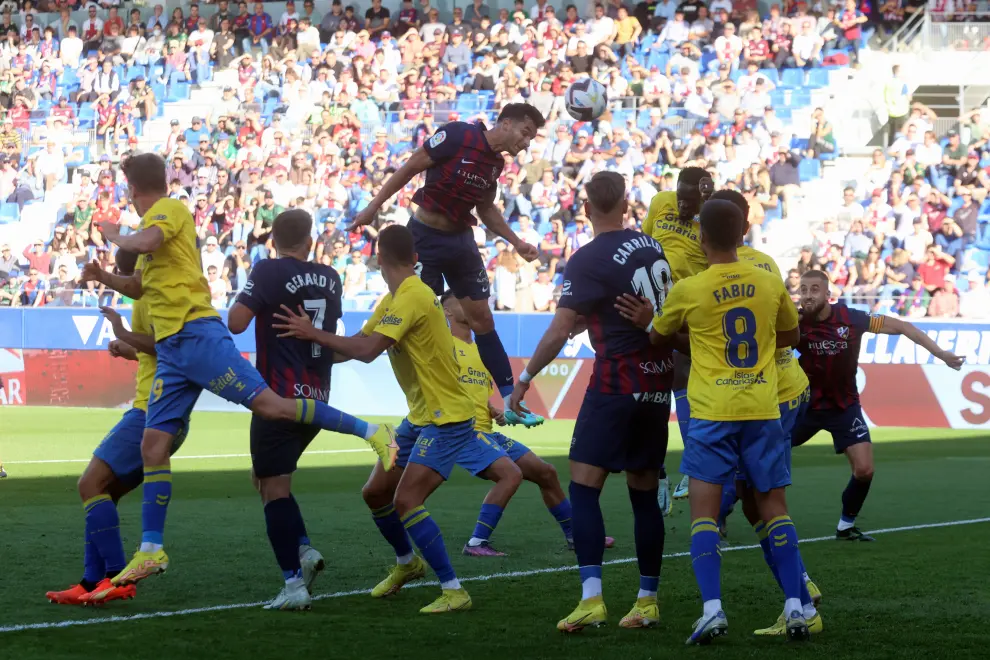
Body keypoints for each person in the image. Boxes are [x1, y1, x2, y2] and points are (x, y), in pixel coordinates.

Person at [78, 153, 398, 587]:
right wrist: (104, 277)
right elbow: (140, 284)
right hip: (172, 347)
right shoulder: (155, 232)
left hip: (196, 334)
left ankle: (373, 432)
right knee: (153, 446)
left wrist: (115, 233)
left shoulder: (167, 211)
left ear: (133, 189)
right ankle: (151, 550)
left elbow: (146, 242)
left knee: (273, 407)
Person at [272, 224, 476, 614]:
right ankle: (407, 563)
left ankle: (454, 590)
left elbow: (367, 351)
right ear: (414, 257)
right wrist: (303, 352)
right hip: (421, 416)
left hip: (447, 418)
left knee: (407, 500)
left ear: (379, 257)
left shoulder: (413, 296)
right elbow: (352, 349)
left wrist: (313, 333)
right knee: (375, 493)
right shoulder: (396, 297)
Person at [641, 199, 813, 644]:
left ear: (701, 237)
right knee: (774, 508)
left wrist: (656, 323)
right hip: (761, 408)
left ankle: (713, 610)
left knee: (703, 514)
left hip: (712, 413)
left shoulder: (691, 288)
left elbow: (659, 339)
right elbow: (792, 336)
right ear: (742, 235)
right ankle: (796, 606)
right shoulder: (768, 282)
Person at [509, 172, 673, 632]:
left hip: (617, 381)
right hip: (658, 385)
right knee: (643, 493)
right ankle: (647, 601)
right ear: (627, 203)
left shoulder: (586, 259)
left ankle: (591, 599)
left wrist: (524, 378)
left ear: (585, 209)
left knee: (583, 487)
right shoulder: (650, 246)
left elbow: (562, 328)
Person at [348, 103, 547, 428]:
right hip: (424, 238)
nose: (526, 143)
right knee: (424, 317)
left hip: (461, 242)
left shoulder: (495, 165)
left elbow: (486, 210)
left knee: (482, 318)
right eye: (525, 133)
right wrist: (373, 207)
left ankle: (511, 400)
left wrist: (516, 242)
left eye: (531, 138)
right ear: (506, 123)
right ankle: (376, 355)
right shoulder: (458, 135)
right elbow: (411, 167)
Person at [45, 250, 188, 607]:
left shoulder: (153, 296)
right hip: (163, 414)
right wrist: (126, 347)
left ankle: (115, 576)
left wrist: (123, 332)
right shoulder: (156, 295)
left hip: (152, 412)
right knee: (102, 492)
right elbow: (155, 347)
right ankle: (91, 581)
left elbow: (167, 344)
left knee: (89, 484)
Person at [225, 209, 349, 611]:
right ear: (310, 240)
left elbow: (236, 321)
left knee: (273, 489)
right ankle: (303, 550)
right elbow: (332, 334)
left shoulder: (267, 270)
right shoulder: (331, 277)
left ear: (272, 240)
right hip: (318, 398)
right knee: (264, 480)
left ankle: (294, 584)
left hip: (278, 398)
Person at [793, 270, 964, 541]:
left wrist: (940, 353)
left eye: (815, 289)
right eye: (803, 289)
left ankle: (845, 526)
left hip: (844, 406)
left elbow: (903, 327)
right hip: (804, 405)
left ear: (828, 295)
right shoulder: (793, 321)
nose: (808, 295)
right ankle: (721, 516)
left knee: (864, 470)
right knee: (762, 458)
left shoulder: (851, 318)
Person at [441, 291, 614, 554]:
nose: (470, 303)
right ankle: (476, 542)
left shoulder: (481, 350)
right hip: (461, 433)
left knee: (546, 473)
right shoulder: (443, 347)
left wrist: (494, 410)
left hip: (484, 431)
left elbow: (474, 392)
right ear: (447, 311)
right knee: (511, 475)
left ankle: (575, 536)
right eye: (460, 300)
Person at [641, 166, 714, 503]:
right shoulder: (660, 202)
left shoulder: (710, 218)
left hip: (688, 304)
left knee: (681, 377)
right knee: (647, 384)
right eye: (681, 199)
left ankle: (692, 466)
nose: (684, 207)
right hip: (651, 299)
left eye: (691, 201)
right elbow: (643, 243)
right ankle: (657, 470)